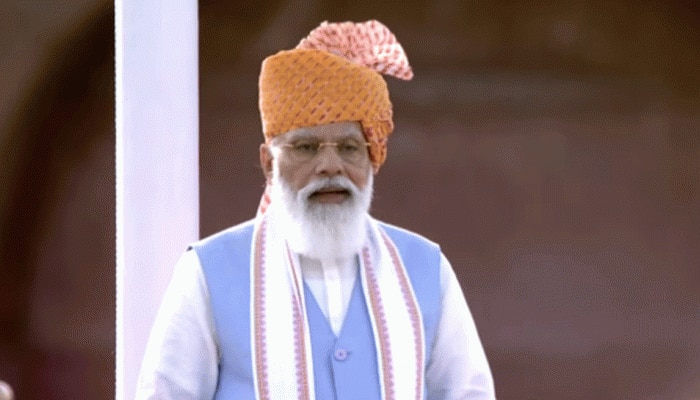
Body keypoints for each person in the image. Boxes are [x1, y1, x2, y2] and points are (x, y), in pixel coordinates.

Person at [136, 20, 496, 400]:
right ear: (269, 163)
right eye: (306, 147)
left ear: (372, 158)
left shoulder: (425, 269)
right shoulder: (208, 272)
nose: (330, 166)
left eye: (349, 148)